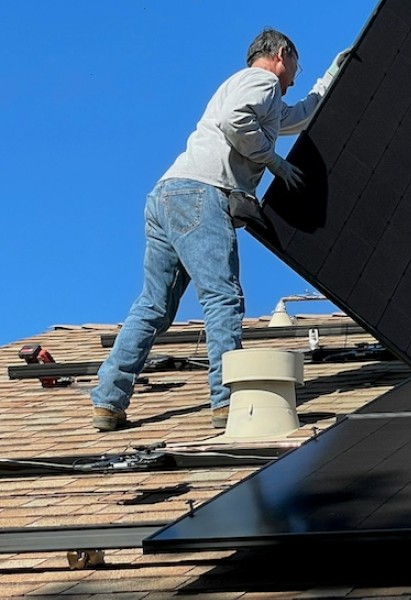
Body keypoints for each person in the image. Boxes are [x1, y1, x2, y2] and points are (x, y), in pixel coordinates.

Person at [90, 29, 351, 431]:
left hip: (166, 196)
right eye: (297, 66)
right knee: (223, 297)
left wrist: (333, 74)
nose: (296, 76)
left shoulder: (250, 89)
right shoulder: (261, 81)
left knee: (153, 307)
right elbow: (236, 121)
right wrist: (274, 162)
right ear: (282, 54)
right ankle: (227, 403)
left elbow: (298, 116)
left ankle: (108, 400)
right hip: (201, 193)